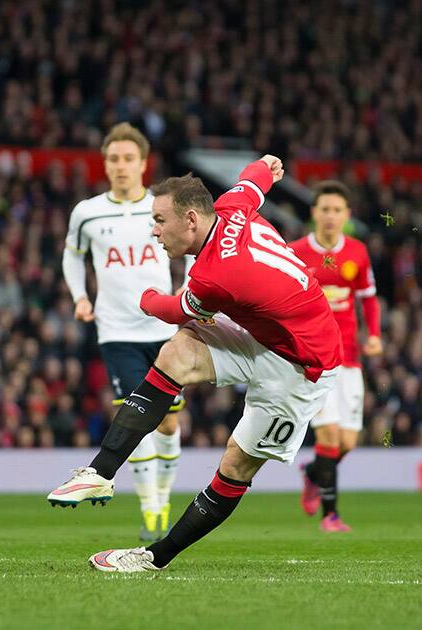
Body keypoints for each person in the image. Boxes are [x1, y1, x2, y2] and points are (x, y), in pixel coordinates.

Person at [48, 155, 342, 572]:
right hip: (264, 336)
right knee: (177, 354)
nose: (154, 230)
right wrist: (266, 166)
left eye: (159, 220)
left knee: (236, 464)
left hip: (301, 366)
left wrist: (145, 298)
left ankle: (155, 557)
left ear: (189, 219)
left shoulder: (216, 275)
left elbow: (171, 309)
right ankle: (100, 472)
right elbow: (251, 181)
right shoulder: (232, 206)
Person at [57, 123, 185, 541]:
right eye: (113, 158)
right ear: (105, 163)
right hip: (117, 332)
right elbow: (72, 257)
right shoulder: (87, 212)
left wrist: (188, 291)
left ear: (144, 164)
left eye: (129, 158)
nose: (121, 166)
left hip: (165, 328)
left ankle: (162, 495)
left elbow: (196, 246)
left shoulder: (162, 207)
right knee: (136, 416)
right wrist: (80, 296)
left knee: (166, 424)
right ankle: (150, 509)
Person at [289, 181, 381, 532]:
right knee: (327, 437)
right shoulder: (296, 251)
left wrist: (374, 334)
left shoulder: (357, 252)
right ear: (314, 213)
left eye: (336, 210)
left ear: (347, 215)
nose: (330, 216)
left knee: (347, 442)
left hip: (350, 358)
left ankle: (313, 473)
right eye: (324, 209)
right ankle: (331, 515)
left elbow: (369, 298)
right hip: (313, 358)